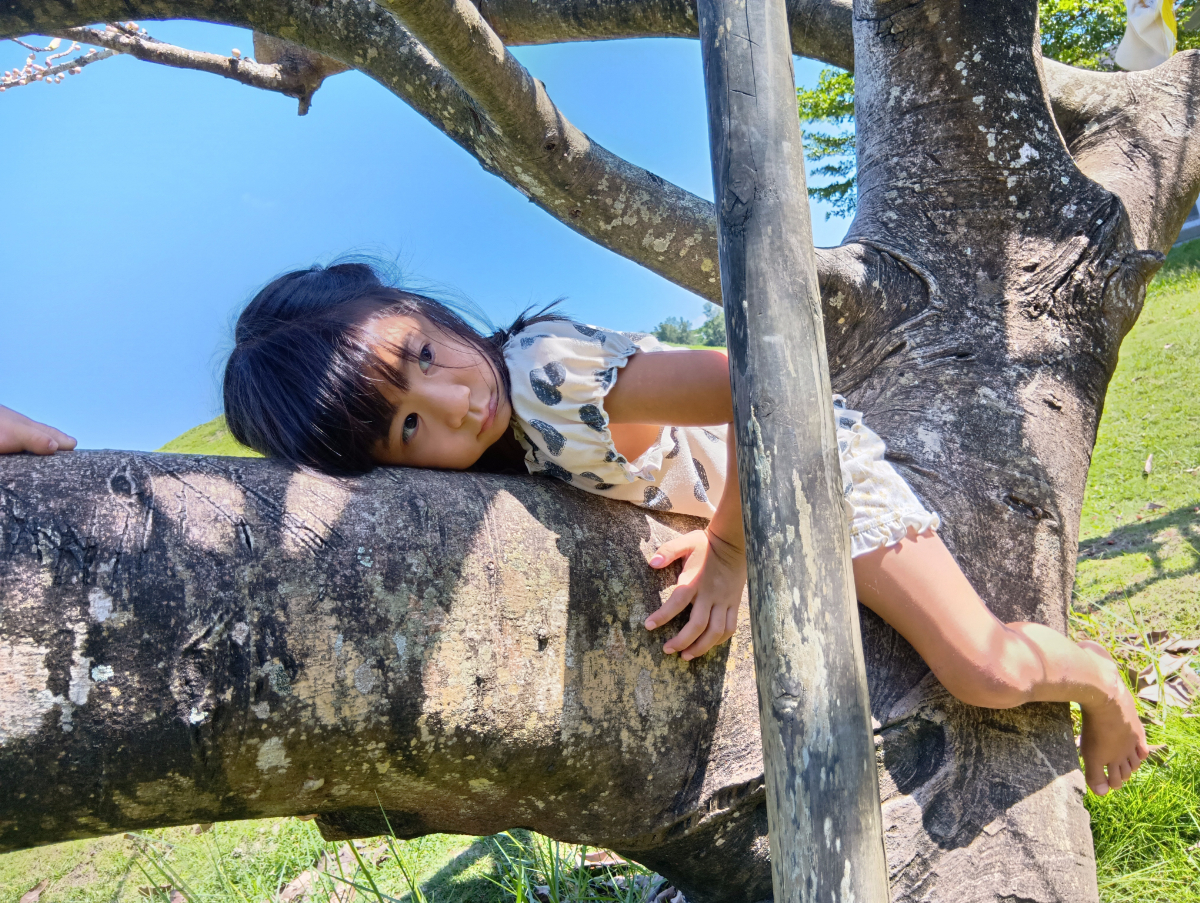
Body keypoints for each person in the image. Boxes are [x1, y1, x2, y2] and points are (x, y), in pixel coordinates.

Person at [8, 261, 1148, 797]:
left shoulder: (547, 371)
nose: (454, 405)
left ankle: (1094, 680)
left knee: (983, 669)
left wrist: (739, 550)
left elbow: (770, 381)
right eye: (407, 429)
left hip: (812, 478)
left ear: (426, 312)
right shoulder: (488, 459)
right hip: (732, 500)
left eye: (422, 359)